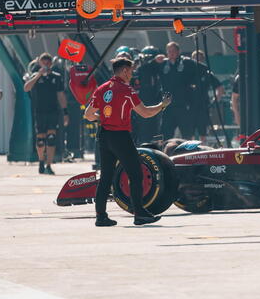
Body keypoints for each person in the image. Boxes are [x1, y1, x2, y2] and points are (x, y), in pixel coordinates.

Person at [84, 57, 172, 227]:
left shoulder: (101, 89)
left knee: (106, 177)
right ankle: (139, 214)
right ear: (124, 70)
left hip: (104, 135)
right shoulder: (126, 90)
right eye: (130, 71)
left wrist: (101, 118)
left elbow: (88, 114)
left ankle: (101, 216)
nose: (131, 75)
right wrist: (162, 105)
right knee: (135, 174)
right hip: (120, 136)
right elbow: (145, 113)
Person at [23, 53, 68, 175]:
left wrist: (65, 112)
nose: (46, 64)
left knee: (51, 139)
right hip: (39, 112)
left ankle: (49, 164)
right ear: (40, 63)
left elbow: (61, 95)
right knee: (41, 140)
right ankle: (41, 161)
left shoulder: (56, 77)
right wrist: (38, 75)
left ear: (51, 64)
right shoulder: (34, 76)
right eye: (44, 62)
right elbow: (26, 88)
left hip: (53, 111)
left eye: (48, 62)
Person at [159, 42, 196, 140]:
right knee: (166, 132)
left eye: (173, 51)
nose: (171, 53)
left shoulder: (186, 63)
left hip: (182, 104)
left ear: (178, 52)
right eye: (169, 51)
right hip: (168, 104)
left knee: (186, 132)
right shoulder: (162, 64)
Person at [190, 50, 224, 142]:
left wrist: (215, 101)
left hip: (203, 107)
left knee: (203, 132)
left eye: (200, 59)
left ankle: (202, 150)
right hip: (189, 107)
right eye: (195, 59)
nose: (198, 61)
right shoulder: (187, 73)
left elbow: (220, 88)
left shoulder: (207, 73)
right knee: (189, 133)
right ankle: (187, 152)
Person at [135, 46, 164, 145]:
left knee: (156, 128)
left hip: (156, 102)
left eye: (147, 58)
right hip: (143, 103)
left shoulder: (160, 69)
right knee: (143, 128)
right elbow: (144, 70)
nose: (144, 61)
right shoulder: (141, 70)